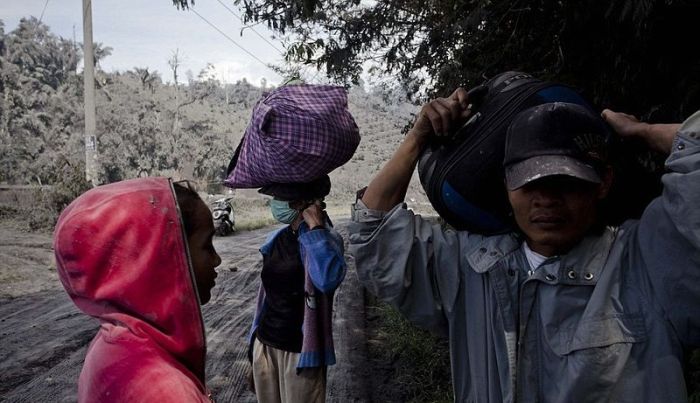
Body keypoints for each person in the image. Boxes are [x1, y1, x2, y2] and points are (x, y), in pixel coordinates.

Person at [348, 88, 700, 402]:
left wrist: (643, 132)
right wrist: (417, 137)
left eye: (565, 181)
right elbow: (374, 234)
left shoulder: (648, 262)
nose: (546, 200)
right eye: (528, 182)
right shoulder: (470, 269)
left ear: (602, 182)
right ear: (506, 185)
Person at [54, 177, 221, 402]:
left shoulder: (113, 343)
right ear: (161, 259)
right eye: (206, 245)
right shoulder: (166, 391)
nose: (217, 260)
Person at [248, 174, 346, 403]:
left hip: (300, 354)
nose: (275, 202)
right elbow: (265, 299)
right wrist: (251, 351)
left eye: (279, 197)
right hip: (265, 346)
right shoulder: (275, 240)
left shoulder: (325, 239)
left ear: (300, 203)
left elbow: (328, 280)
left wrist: (316, 227)